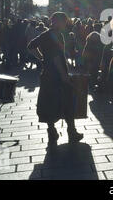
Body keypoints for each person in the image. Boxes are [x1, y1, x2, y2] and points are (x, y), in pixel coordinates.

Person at [27, 12, 83, 145]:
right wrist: (64, 76)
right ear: (57, 22)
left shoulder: (46, 34)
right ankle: (72, 132)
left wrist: (41, 57)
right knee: (68, 102)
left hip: (47, 74)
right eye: (64, 22)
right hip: (57, 76)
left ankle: (52, 133)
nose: (65, 24)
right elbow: (56, 57)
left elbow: (30, 46)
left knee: (49, 104)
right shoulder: (55, 35)